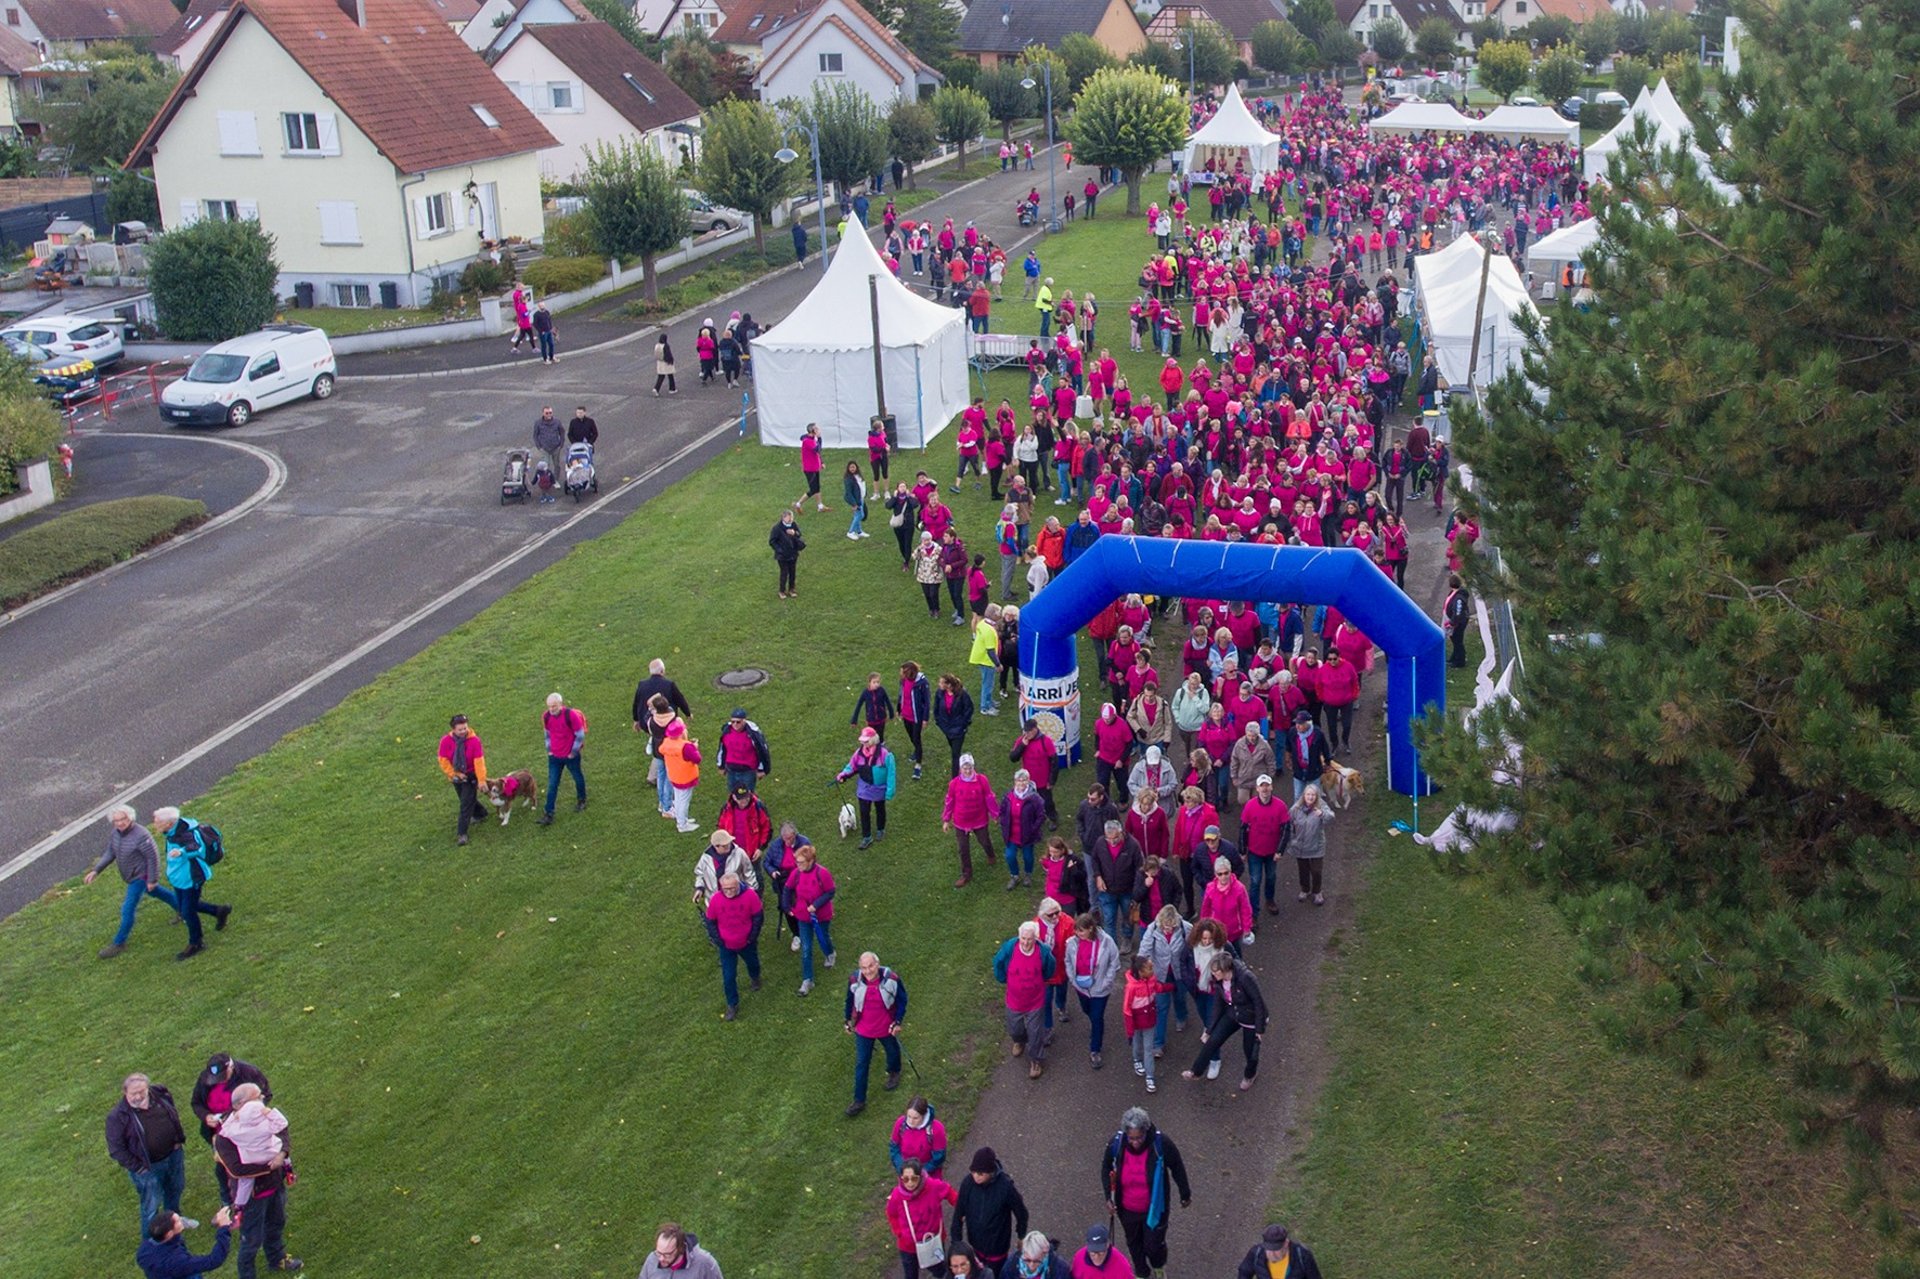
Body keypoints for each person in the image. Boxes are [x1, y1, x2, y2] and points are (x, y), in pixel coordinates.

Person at [211, 1095, 300, 1277]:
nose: (262, 1099)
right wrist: (270, 1163)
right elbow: (237, 1169)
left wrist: (281, 1155)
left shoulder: (262, 1116)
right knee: (251, 1239)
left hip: (274, 1184)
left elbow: (283, 1131)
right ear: (240, 1105)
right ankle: (247, 1275)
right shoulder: (225, 1136)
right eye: (257, 1097)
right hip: (253, 1196)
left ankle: (276, 1259)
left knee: (276, 1223)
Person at [1099, 1108, 1190, 1279]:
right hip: (1127, 1209)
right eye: (1131, 1138)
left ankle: (1158, 1266)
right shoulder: (1116, 1144)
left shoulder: (1161, 1143)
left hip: (1155, 1208)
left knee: (1153, 1246)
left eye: (1139, 1137)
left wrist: (1185, 1193)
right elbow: (1106, 1168)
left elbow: (1177, 1166)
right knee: (1134, 1244)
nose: (1135, 1142)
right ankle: (1141, 1272)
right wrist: (1108, 1197)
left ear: (1146, 1131)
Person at [86, 805, 180, 959]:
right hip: (132, 875)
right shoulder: (116, 834)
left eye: (123, 819)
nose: (119, 823)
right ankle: (183, 908)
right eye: (116, 820)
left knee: (127, 908)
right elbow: (110, 852)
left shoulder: (141, 835)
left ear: (130, 818)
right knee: (156, 892)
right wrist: (96, 870)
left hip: (141, 876)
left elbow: (153, 857)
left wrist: (152, 879)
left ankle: (119, 943)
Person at [109, 1073, 192, 1241]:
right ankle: (151, 1243)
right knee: (151, 1205)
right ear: (125, 1092)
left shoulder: (160, 1095)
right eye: (134, 1093)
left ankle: (174, 1225)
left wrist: (177, 1140)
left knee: (175, 1190)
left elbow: (172, 1116)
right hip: (147, 1167)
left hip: (173, 1155)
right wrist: (139, 1168)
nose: (138, 1096)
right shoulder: (118, 1117)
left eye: (142, 1091)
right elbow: (116, 1149)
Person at [189, 1052, 270, 1205]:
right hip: (219, 1134)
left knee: (247, 1164)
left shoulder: (249, 1073)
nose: (218, 1082)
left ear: (231, 1067)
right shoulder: (205, 1078)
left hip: (245, 1130)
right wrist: (206, 1116)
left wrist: (245, 1114)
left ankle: (254, 1196)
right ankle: (227, 1200)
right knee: (223, 1167)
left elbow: (265, 1096)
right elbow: (196, 1103)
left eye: (222, 1077)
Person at [154, 807, 230, 961]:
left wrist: (181, 852)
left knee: (187, 911)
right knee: (186, 907)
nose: (154, 823)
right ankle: (218, 911)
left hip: (191, 878)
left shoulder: (184, 834)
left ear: (169, 823)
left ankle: (196, 943)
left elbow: (196, 847)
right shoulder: (173, 831)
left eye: (157, 821)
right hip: (180, 878)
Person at [1183, 950, 1267, 1088]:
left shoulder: (1245, 978)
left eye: (1216, 971)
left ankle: (1250, 1075)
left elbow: (1258, 1002)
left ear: (1225, 969)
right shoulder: (1219, 982)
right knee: (1213, 1040)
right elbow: (1217, 1006)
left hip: (1250, 1017)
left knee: (1250, 1050)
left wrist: (1259, 1028)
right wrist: (1209, 1030)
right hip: (1233, 1013)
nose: (1214, 974)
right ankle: (1196, 1071)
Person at [950, 1148, 1030, 1275]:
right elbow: (959, 1213)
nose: (976, 1176)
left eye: (981, 1173)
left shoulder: (1006, 1186)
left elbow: (1022, 1213)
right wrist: (956, 1244)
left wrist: (1021, 1235)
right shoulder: (968, 1183)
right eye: (973, 1171)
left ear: (991, 1172)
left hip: (997, 1249)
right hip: (975, 1245)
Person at [993, 920, 1056, 1078]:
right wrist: (1002, 978)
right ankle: (1019, 1041)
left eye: (1030, 939)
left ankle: (1036, 1060)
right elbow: (998, 962)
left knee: (1035, 1033)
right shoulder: (1010, 948)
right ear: (1019, 936)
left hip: (1035, 1001)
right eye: (1023, 938)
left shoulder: (1043, 952)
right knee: (1015, 1029)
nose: (1026, 942)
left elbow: (1050, 969)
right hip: (1014, 1000)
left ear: (1035, 938)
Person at [1064, 910, 1121, 1068]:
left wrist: (1106, 982)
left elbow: (1114, 963)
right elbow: (1068, 960)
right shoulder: (1072, 943)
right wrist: (1072, 978)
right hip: (1081, 987)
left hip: (1100, 989)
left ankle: (1095, 1050)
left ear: (1091, 928)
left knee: (1097, 1017)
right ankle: (1096, 1027)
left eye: (1081, 930)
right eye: (1076, 930)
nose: (1078, 933)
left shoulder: (1107, 942)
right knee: (1087, 1010)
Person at [704, 871, 764, 1020]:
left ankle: (755, 977)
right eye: (725, 889)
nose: (729, 892)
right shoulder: (716, 899)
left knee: (753, 963)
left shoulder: (750, 896)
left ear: (738, 885)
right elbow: (710, 921)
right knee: (728, 976)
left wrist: (752, 937)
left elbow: (758, 916)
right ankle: (732, 1004)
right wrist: (718, 940)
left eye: (732, 888)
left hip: (746, 942)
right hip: (726, 945)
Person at [887, 1160, 959, 1279]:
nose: (910, 1183)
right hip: (908, 1247)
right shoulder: (897, 1195)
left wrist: (961, 1210)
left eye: (914, 1178)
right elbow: (892, 1214)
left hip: (932, 1242)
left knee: (942, 1273)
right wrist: (900, 1233)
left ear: (920, 1176)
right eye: (905, 1179)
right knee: (911, 1275)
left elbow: (950, 1194)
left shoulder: (933, 1186)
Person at [784, 842, 837, 995]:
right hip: (803, 916)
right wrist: (787, 907)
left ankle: (830, 952)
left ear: (811, 861)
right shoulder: (796, 873)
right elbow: (787, 889)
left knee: (823, 937)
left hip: (821, 915)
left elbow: (830, 892)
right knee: (806, 948)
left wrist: (816, 904)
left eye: (801, 862)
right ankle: (808, 980)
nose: (797, 865)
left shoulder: (823, 873)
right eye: (797, 862)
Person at [1239, 774, 1292, 918]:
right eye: (1262, 786)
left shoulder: (1280, 806)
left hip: (1272, 852)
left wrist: (1280, 850)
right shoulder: (1250, 806)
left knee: (1271, 877)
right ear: (1257, 788)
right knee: (1255, 881)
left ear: (1271, 787)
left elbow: (1286, 829)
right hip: (1255, 852)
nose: (1264, 789)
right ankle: (1253, 913)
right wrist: (1242, 850)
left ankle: (1269, 899)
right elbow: (1243, 828)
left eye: (1267, 785)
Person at [1087, 819, 1143, 952]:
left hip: (1127, 890)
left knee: (1127, 917)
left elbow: (1139, 869)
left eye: (1115, 838)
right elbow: (1094, 860)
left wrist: (1136, 890)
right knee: (1108, 919)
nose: (1112, 841)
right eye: (1108, 838)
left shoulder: (1133, 845)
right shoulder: (1100, 843)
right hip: (1107, 890)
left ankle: (1127, 938)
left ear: (1122, 832)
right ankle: (1111, 946)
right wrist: (1098, 876)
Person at [942, 753, 997, 888]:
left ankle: (990, 855)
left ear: (973, 767)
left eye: (970, 768)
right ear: (960, 769)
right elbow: (949, 801)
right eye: (964, 768)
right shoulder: (954, 784)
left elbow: (989, 797)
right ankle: (967, 874)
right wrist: (946, 819)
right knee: (963, 849)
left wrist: (995, 814)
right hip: (961, 821)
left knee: (984, 840)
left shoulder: (982, 780)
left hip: (979, 819)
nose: (967, 771)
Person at [836, 726, 897, 848]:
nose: (863, 743)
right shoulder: (859, 753)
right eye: (862, 741)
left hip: (879, 788)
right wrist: (843, 774)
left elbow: (891, 774)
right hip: (864, 788)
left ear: (873, 740)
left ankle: (880, 829)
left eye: (866, 741)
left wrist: (890, 791)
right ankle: (867, 837)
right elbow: (851, 766)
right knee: (864, 812)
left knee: (880, 809)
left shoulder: (886, 755)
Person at [436, 714, 490, 846]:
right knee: (466, 799)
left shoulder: (475, 741)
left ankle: (462, 833)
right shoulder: (445, 741)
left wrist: (481, 780)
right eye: (460, 729)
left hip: (470, 776)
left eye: (465, 728)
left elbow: (479, 762)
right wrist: (454, 773)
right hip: (456, 777)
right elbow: (443, 761)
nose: (463, 731)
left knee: (465, 805)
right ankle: (481, 813)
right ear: (453, 729)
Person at [138, 1206, 236, 1279]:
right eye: (178, 1221)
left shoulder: (145, 1248)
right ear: (169, 1234)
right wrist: (223, 1228)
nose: (182, 1220)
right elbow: (214, 1260)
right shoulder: (177, 1261)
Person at [537, 692, 587, 825]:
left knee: (577, 777)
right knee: (552, 784)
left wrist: (573, 752)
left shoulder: (571, 715)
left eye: (554, 706)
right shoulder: (546, 716)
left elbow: (580, 735)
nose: (551, 709)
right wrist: (549, 750)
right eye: (549, 706)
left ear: (560, 704)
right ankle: (549, 813)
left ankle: (582, 799)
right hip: (555, 756)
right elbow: (547, 734)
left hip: (570, 756)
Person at [998, 768, 1046, 890]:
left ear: (1028, 781)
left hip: (1027, 835)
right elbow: (1002, 811)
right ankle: (1014, 876)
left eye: (1024, 780)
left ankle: (1028, 875)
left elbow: (1041, 816)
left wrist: (1033, 829)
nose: (1021, 783)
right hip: (1012, 834)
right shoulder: (1008, 796)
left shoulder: (1034, 798)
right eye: (1019, 781)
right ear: (1015, 782)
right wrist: (1003, 823)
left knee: (1028, 856)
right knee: (1009, 856)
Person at [1289, 784, 1336, 905]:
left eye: (1313, 795)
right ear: (1303, 796)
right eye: (1308, 794)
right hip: (1300, 846)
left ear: (1317, 796)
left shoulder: (1321, 806)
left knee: (1316, 871)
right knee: (1303, 870)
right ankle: (1305, 889)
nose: (1310, 797)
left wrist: (1322, 814)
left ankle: (1317, 891)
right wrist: (1292, 840)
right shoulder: (1295, 809)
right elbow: (1288, 825)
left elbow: (1331, 817)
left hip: (1316, 845)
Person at [659, 720, 703, 832]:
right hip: (686, 777)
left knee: (678, 800)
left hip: (674, 776)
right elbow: (697, 759)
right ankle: (682, 825)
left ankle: (682, 820)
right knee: (683, 801)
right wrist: (695, 747)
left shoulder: (666, 742)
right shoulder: (686, 746)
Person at [1201, 854, 1254, 947]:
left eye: (1226, 873)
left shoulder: (1239, 888)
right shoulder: (1210, 888)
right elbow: (1206, 909)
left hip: (1234, 932)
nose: (1223, 876)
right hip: (1216, 932)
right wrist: (1204, 927)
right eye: (1220, 874)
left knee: (1236, 956)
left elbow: (1245, 909)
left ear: (1230, 872)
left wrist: (1247, 928)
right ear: (1215, 874)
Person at [1236, 1224, 1322, 1279]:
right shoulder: (1256, 1253)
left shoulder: (1302, 1256)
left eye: (1276, 1249)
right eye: (1268, 1249)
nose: (1272, 1254)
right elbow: (1244, 1272)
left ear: (1286, 1243)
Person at [640, 1223, 725, 1279]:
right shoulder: (652, 1259)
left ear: (680, 1248)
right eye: (659, 1253)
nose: (661, 1258)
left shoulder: (704, 1263)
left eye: (667, 1254)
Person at [717, 709, 771, 795]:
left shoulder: (753, 734)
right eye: (733, 722)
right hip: (731, 769)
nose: (735, 724)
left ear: (744, 721)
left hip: (748, 770)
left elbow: (762, 751)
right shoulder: (726, 731)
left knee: (747, 795)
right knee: (733, 795)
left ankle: (755, 808)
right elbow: (722, 749)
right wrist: (721, 766)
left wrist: (762, 769)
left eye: (738, 722)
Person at [890, 1096, 947, 1173]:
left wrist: (920, 1172)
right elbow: (894, 1147)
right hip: (906, 1173)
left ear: (924, 1115)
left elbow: (939, 1157)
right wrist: (902, 1167)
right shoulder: (900, 1123)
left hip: (929, 1174)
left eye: (915, 1118)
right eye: (909, 1116)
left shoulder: (936, 1129)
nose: (910, 1121)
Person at [933, 674, 975, 778]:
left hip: (958, 728)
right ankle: (964, 762)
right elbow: (936, 708)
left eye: (942, 682)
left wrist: (963, 724)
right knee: (954, 749)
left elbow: (969, 709)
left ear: (949, 684)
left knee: (955, 755)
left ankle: (955, 778)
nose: (939, 684)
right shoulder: (940, 693)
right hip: (946, 728)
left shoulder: (962, 694)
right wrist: (939, 721)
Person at [1284, 709, 1331, 801]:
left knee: (1314, 797)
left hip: (1314, 770)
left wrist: (1327, 763)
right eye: (1296, 723)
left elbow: (1325, 749)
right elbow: (1288, 746)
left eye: (1300, 724)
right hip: (1298, 770)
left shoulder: (1318, 734)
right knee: (1298, 796)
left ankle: (1314, 815)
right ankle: (1297, 815)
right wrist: (1287, 759)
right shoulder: (1292, 732)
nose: (1297, 726)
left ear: (1308, 723)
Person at [899, 661, 931, 782]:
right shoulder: (903, 681)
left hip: (916, 717)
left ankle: (918, 764)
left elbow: (927, 702)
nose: (901, 674)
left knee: (916, 738)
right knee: (911, 736)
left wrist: (925, 718)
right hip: (906, 715)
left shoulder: (922, 683)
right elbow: (901, 695)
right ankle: (916, 751)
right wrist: (899, 708)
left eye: (903, 671)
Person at [770, 509, 807, 599]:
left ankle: (792, 589)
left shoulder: (793, 525)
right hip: (782, 556)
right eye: (789, 518)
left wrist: (794, 533)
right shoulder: (777, 528)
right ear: (783, 518)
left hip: (793, 553)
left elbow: (799, 534)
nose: (791, 519)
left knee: (792, 572)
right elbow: (772, 541)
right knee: (784, 573)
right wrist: (779, 550)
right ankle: (782, 591)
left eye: (791, 518)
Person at [1444, 572, 1470, 667]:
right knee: (1455, 640)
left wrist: (1452, 623)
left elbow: (1458, 613)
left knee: (1457, 641)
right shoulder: (1455, 593)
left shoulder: (1458, 598)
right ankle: (1454, 658)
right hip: (1456, 622)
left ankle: (1460, 661)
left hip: (1458, 623)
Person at [534, 405, 564, 479]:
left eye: (550, 413)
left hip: (556, 447)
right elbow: (535, 435)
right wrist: (539, 446)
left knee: (557, 465)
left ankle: (556, 479)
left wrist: (561, 444)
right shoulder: (538, 423)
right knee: (545, 465)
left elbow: (562, 432)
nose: (549, 415)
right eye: (546, 413)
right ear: (543, 413)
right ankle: (546, 480)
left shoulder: (557, 422)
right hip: (544, 448)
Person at [845, 461, 871, 540]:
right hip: (856, 500)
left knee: (858, 515)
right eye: (851, 467)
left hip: (861, 498)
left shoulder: (859, 476)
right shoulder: (848, 479)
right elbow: (848, 493)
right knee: (860, 515)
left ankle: (859, 531)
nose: (852, 469)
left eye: (853, 467)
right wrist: (854, 504)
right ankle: (850, 531)